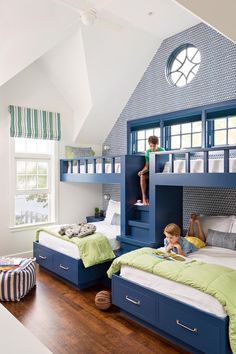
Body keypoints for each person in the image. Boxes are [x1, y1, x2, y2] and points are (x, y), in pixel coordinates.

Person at [138, 136, 165, 205]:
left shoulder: (162, 151)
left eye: (154, 146)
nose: (152, 148)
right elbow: (147, 167)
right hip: (151, 171)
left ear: (157, 144)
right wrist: (142, 171)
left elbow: (164, 163)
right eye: (151, 146)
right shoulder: (148, 152)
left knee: (153, 178)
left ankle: (151, 199)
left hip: (160, 171)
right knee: (142, 176)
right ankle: (144, 197)